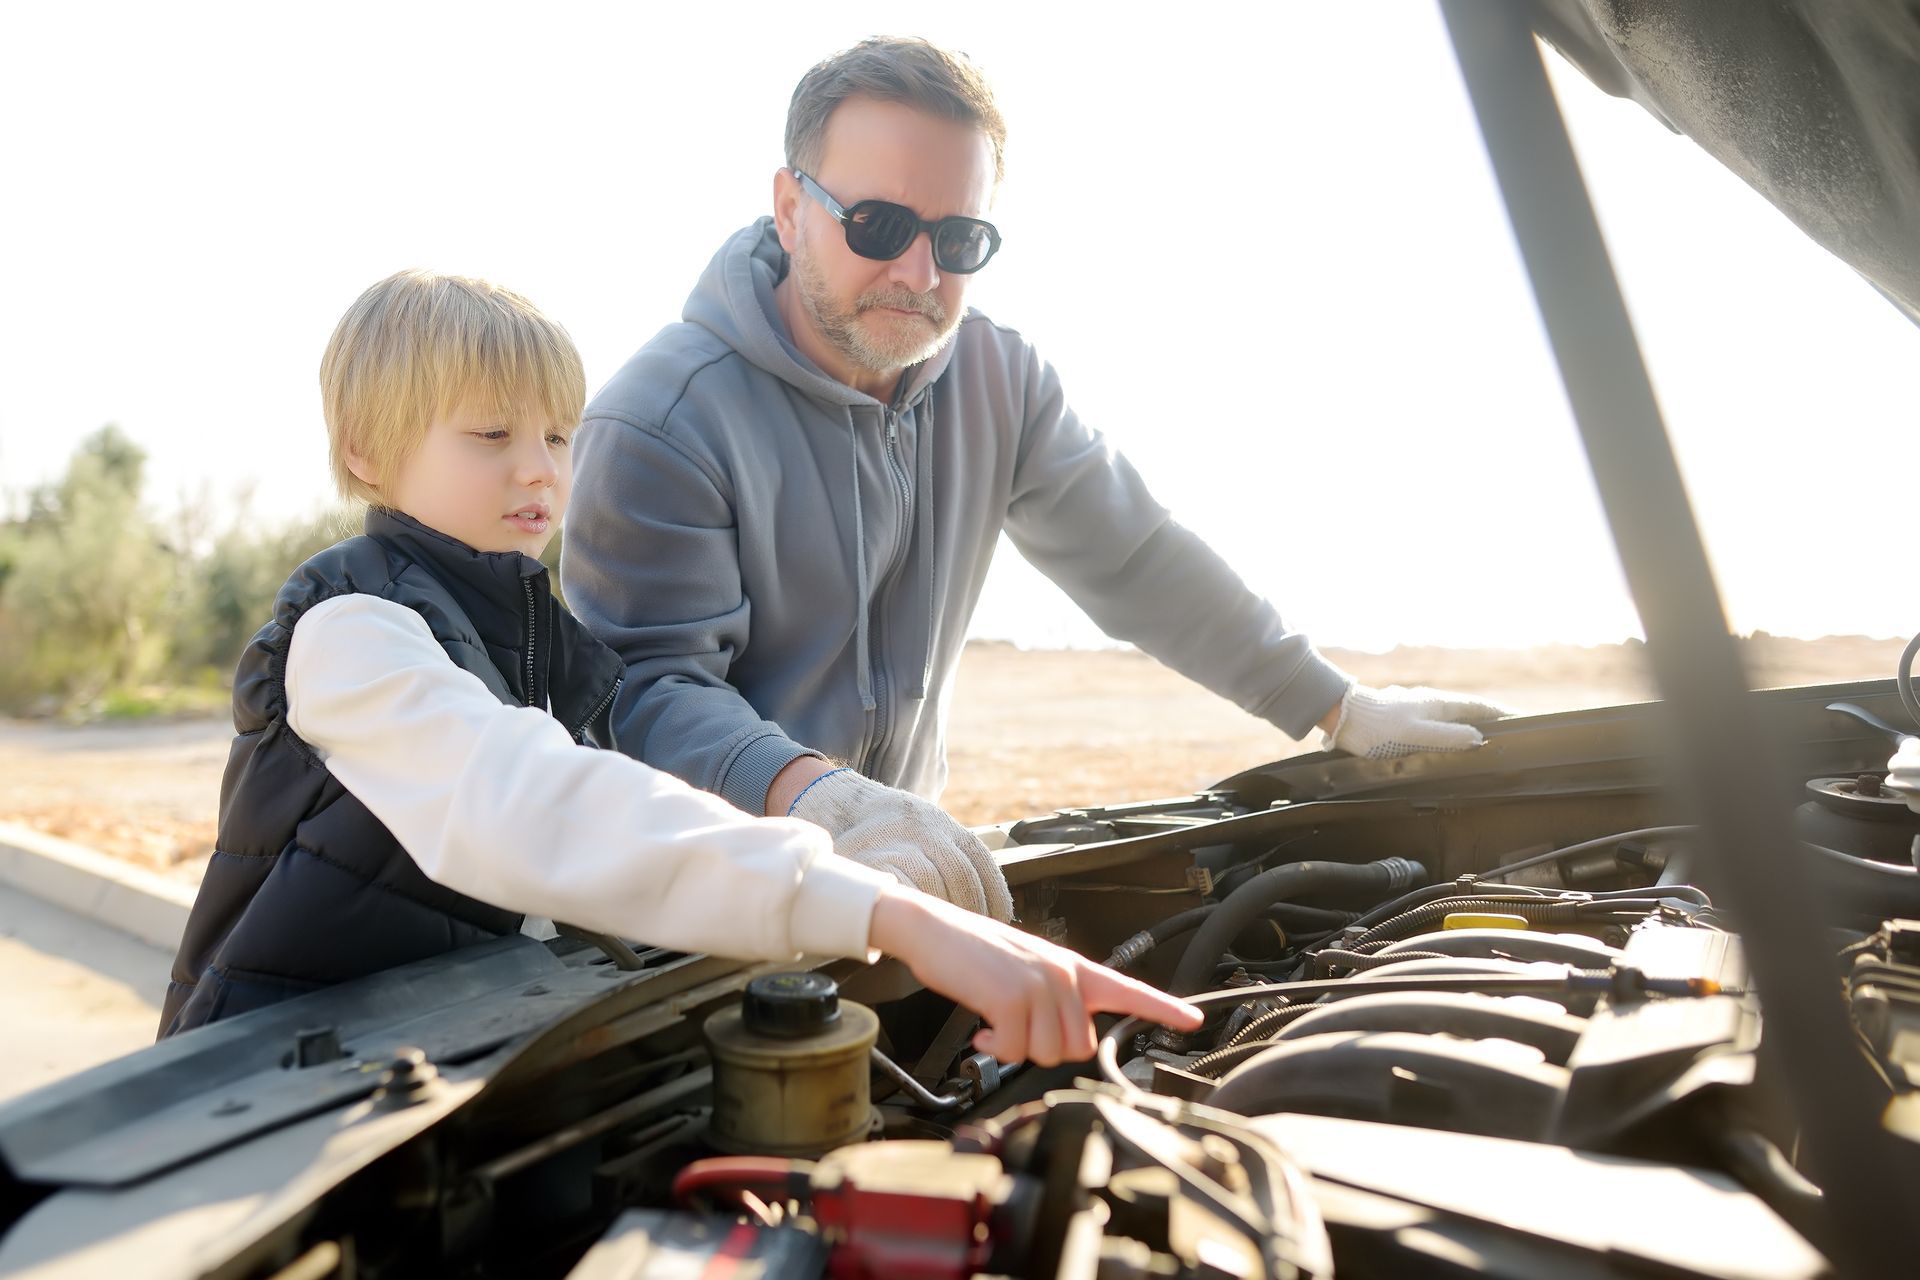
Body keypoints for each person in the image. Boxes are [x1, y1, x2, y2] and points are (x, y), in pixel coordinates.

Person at [562, 37, 1507, 920]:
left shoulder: (997, 379)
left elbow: (1134, 557)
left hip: (903, 869)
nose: (917, 272)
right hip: (709, 905)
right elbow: (647, 690)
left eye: (959, 239)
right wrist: (824, 800)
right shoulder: (659, 421)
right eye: (879, 223)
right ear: (789, 206)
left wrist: (1333, 703)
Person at [158, 269, 1200, 1066]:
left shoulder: (543, 639)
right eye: (489, 433)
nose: (539, 466)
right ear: (366, 455)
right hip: (260, 1087)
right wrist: (883, 910)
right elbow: (536, 805)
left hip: (418, 1057)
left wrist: (826, 815)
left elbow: (639, 785)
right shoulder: (354, 629)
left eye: (560, 436)